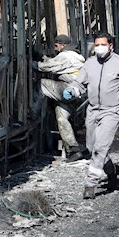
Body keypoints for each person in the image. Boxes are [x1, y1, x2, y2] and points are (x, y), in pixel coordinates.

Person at [63, 32, 119, 199]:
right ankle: (111, 171)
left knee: (101, 147)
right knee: (91, 147)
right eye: (97, 45)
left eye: (103, 45)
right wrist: (71, 91)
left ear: (110, 46)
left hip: (113, 111)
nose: (99, 48)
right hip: (93, 110)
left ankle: (90, 184)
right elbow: (79, 83)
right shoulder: (90, 64)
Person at [32, 34, 87, 162]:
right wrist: (43, 57)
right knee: (62, 119)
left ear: (63, 45)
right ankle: (73, 149)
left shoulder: (66, 55)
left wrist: (32, 63)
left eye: (56, 46)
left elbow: (48, 67)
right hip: (78, 93)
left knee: (42, 85)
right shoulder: (76, 56)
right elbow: (56, 63)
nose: (55, 49)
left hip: (68, 88)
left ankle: (33, 113)